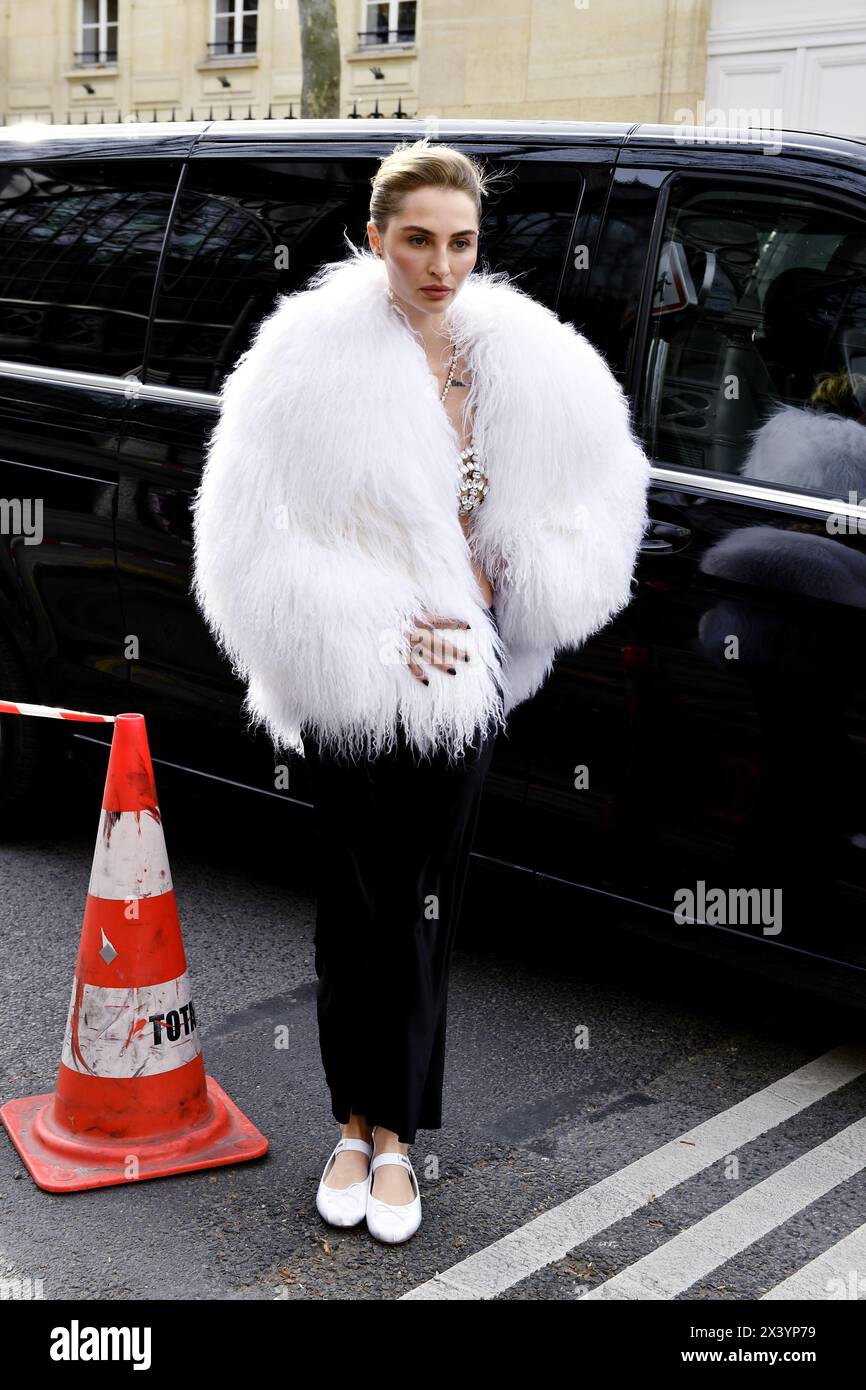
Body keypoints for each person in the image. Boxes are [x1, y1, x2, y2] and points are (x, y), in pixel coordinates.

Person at [189, 137, 652, 1245]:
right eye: (416, 241)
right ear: (373, 235)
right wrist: (378, 629)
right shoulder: (303, 360)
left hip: (467, 678)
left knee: (421, 904)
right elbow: (246, 540)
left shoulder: (529, 359)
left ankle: (394, 1137)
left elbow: (602, 499)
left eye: (460, 242)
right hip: (358, 674)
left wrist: (513, 576)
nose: (439, 265)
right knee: (356, 903)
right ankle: (350, 1129)